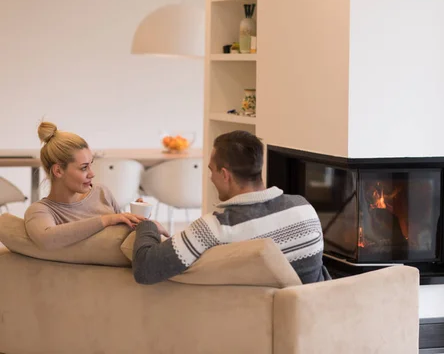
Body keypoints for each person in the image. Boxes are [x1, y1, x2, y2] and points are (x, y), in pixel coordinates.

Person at [133, 130, 330, 285]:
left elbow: (145, 269)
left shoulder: (213, 228)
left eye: (211, 170)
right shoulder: (304, 209)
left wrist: (146, 224)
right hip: (310, 321)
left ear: (225, 175)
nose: (210, 177)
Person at [24, 121, 169, 250]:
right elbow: (47, 239)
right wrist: (106, 220)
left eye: (91, 165)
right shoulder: (41, 211)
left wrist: (141, 223)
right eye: (83, 168)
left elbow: (123, 235)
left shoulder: (101, 192)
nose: (92, 174)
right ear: (58, 170)